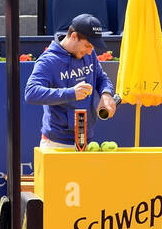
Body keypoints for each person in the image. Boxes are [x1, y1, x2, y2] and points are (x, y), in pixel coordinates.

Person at [23, 13, 117, 146]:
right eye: (87, 46)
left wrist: (106, 94)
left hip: (86, 139)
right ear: (74, 36)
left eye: (93, 47)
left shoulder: (89, 54)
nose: (90, 51)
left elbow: (101, 77)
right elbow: (31, 93)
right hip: (56, 143)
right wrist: (71, 93)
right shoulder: (48, 60)